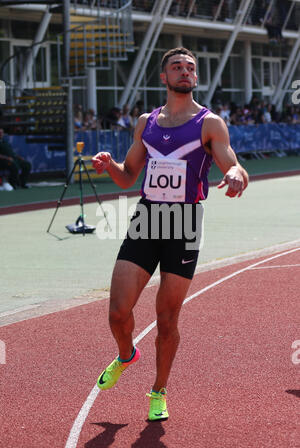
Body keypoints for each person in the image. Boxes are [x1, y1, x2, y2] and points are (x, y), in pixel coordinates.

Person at [92, 47, 249, 421]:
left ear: (195, 78)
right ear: (163, 77)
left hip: (185, 223)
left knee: (166, 318)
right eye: (177, 67)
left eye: (190, 68)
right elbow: (129, 174)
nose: (184, 72)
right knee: (118, 313)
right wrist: (109, 165)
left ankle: (158, 391)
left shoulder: (210, 124)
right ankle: (127, 354)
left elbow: (233, 163)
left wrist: (235, 176)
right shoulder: (147, 122)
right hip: (147, 219)